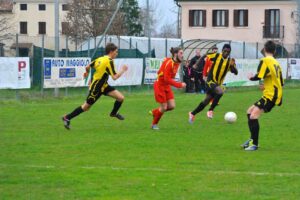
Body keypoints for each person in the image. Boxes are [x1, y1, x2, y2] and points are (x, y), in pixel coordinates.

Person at [62, 43, 128, 130]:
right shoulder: (109, 61)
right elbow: (115, 77)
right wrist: (123, 70)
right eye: (116, 52)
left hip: (104, 86)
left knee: (120, 98)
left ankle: (113, 113)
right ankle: (67, 117)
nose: (117, 53)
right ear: (111, 51)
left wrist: (87, 73)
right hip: (96, 88)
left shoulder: (100, 58)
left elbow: (88, 66)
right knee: (86, 107)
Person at [241, 40, 284, 151]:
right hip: (272, 94)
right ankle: (252, 140)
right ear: (274, 51)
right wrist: (266, 86)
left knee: (253, 116)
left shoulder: (265, 61)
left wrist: (251, 77)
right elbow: (280, 81)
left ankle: (254, 144)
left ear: (264, 49)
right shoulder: (277, 63)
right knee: (249, 111)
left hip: (271, 96)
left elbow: (259, 76)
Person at [188, 44, 238, 123]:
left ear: (229, 52)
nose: (226, 53)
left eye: (228, 52)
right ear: (222, 50)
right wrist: (196, 64)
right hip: (210, 81)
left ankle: (192, 113)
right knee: (220, 92)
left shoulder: (230, 61)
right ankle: (211, 110)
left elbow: (235, 72)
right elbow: (205, 55)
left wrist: (232, 66)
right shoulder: (216, 56)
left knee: (206, 101)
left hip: (217, 84)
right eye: (224, 51)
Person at [150, 47, 186, 130]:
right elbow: (166, 78)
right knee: (164, 107)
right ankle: (154, 124)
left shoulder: (177, 62)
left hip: (166, 86)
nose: (182, 55)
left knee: (172, 106)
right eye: (181, 53)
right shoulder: (170, 63)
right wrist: (179, 85)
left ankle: (155, 112)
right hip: (159, 85)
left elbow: (169, 77)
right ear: (175, 54)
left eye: (182, 53)